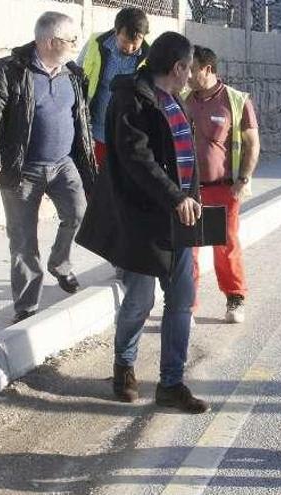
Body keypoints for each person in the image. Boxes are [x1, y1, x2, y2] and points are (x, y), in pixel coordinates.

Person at [75, 32, 209, 413]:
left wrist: (191, 201)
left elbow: (185, 160)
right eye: (189, 67)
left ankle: (171, 383)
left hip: (180, 218)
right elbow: (138, 159)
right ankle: (124, 368)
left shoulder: (175, 102)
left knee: (181, 300)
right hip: (140, 220)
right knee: (140, 299)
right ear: (178, 66)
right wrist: (175, 196)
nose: (191, 75)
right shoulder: (129, 99)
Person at [0, 12, 96, 324]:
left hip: (63, 164)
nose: (75, 45)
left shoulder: (73, 73)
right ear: (51, 42)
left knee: (80, 213)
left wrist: (88, 159)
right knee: (24, 239)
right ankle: (26, 306)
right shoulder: (11, 70)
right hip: (22, 169)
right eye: (71, 40)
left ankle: (60, 262)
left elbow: (80, 119)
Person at [184, 45, 261, 324]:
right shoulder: (183, 98)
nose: (187, 75)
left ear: (208, 69)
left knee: (224, 246)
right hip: (189, 190)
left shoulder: (235, 100)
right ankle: (187, 306)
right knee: (188, 248)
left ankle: (235, 298)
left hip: (223, 187)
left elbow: (252, 143)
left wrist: (243, 179)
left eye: (191, 70)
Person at [77, 7, 150, 168]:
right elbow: (76, 76)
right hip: (95, 131)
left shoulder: (149, 58)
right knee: (93, 182)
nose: (129, 48)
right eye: (125, 42)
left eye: (135, 44)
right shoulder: (95, 44)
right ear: (116, 31)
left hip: (128, 137)